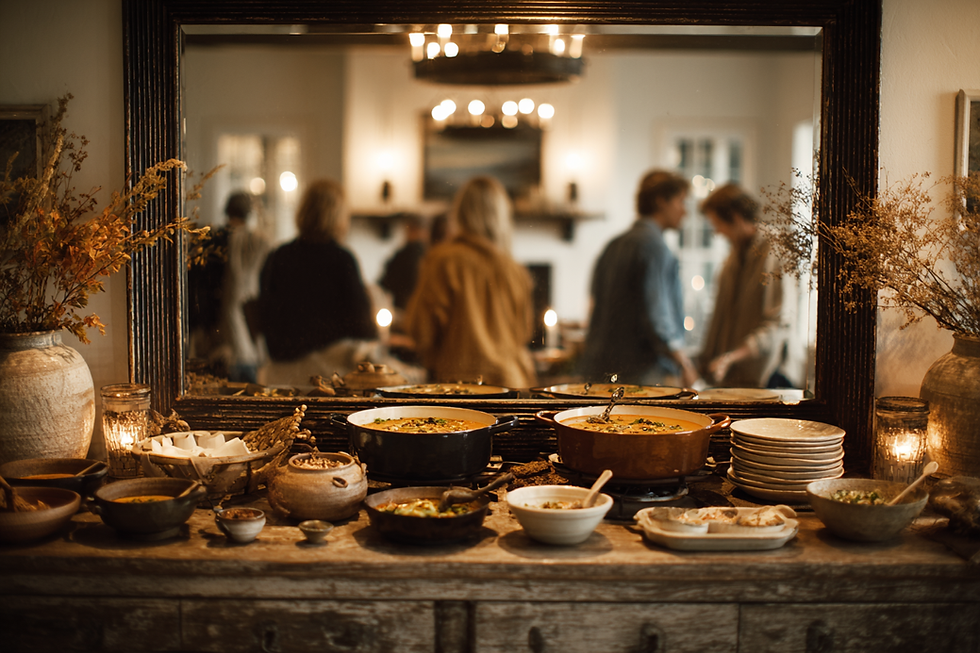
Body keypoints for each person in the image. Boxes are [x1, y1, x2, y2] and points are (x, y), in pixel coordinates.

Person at [405, 176, 537, 388]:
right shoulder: (515, 270)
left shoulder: (443, 260)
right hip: (512, 385)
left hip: (460, 388)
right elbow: (524, 333)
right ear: (501, 216)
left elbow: (421, 331)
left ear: (461, 213)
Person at [578, 170, 699, 387]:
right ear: (661, 201)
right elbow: (658, 318)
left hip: (600, 369)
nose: (685, 212)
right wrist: (684, 364)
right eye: (681, 202)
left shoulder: (613, 245)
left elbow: (594, 303)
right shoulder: (656, 249)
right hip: (642, 374)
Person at [255, 179, 377, 382]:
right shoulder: (341, 259)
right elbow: (363, 326)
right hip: (328, 373)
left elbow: (265, 312)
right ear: (338, 216)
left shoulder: (278, 256)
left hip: (279, 370)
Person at [698, 182, 790, 388]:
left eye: (718, 225)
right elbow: (719, 318)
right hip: (733, 380)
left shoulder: (774, 251)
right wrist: (705, 361)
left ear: (736, 218)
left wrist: (731, 357)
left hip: (765, 379)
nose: (718, 233)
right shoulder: (731, 259)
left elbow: (776, 324)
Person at [215, 191, 270, 382]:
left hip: (218, 336)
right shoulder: (261, 241)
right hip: (250, 333)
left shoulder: (214, 239)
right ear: (249, 213)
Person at [379, 213, 427, 314]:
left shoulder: (404, 254)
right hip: (419, 308)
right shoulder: (428, 253)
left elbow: (386, 282)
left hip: (402, 306)